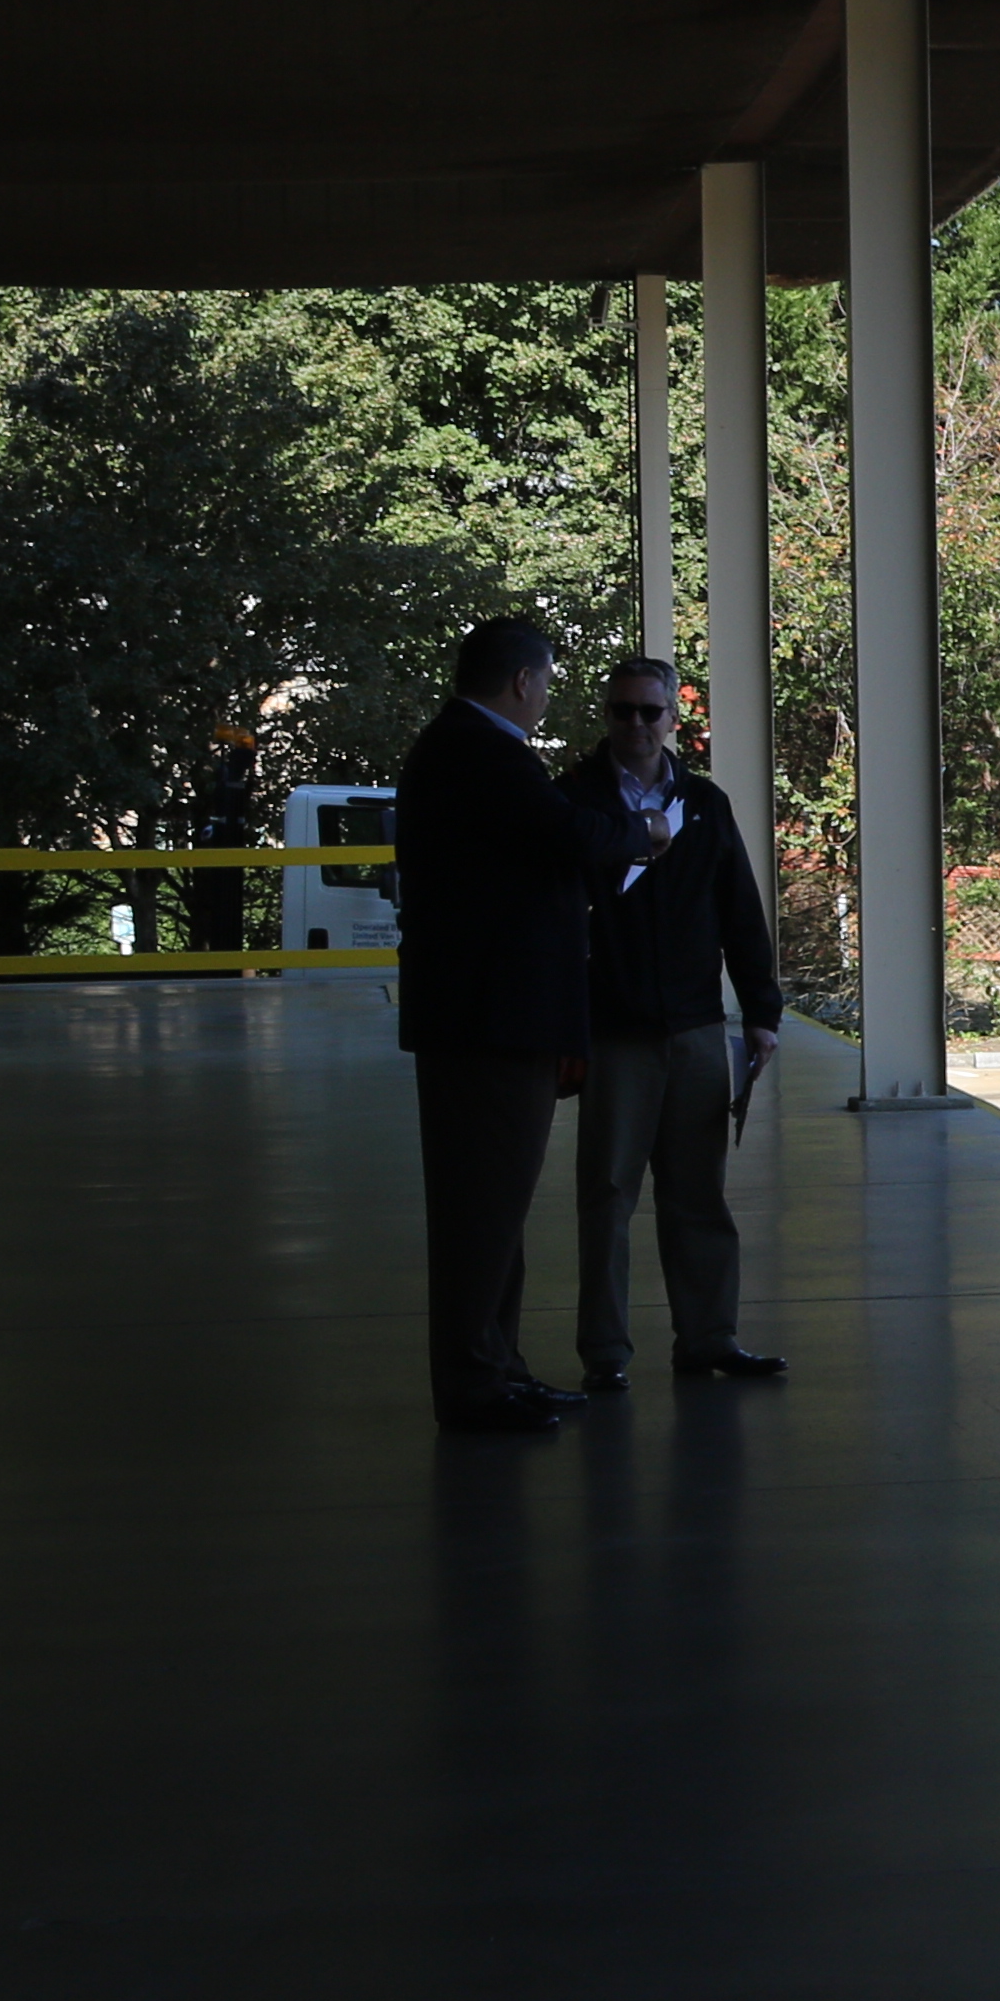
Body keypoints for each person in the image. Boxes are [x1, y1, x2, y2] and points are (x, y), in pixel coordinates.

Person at [395, 614, 643, 1435]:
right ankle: (474, 1382)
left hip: (490, 1017)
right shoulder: (483, 753)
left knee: (494, 1208)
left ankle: (497, 1367)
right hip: (491, 1023)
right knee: (481, 1210)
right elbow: (572, 834)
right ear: (524, 682)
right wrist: (647, 832)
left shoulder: (461, 749)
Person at [560, 656, 783, 1389]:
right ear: (606, 714)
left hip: (692, 1026)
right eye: (621, 710)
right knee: (608, 1196)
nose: (634, 724)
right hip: (614, 1029)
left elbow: (739, 912)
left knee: (698, 1195)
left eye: (648, 712)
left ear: (672, 720)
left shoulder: (706, 806)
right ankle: (605, 1355)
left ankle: (710, 1339)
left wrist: (761, 1014)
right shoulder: (574, 801)